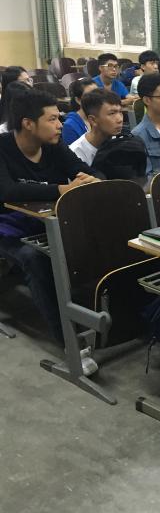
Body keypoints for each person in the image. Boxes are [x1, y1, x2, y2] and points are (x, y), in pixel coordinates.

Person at [0, 89, 100, 346]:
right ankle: (68, 341)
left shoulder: (54, 146)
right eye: (52, 119)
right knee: (35, 258)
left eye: (59, 118)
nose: (60, 125)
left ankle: (102, 316)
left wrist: (90, 179)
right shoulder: (3, 147)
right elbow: (8, 191)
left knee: (95, 240)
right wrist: (60, 189)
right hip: (9, 227)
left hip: (50, 221)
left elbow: (82, 169)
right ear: (28, 123)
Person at [69, 89, 124, 166]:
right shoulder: (76, 154)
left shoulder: (122, 141)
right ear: (93, 120)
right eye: (112, 113)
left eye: (120, 112)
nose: (120, 119)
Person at [61, 78, 98, 145]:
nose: (96, 99)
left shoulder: (103, 117)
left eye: (98, 93)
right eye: (90, 95)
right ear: (78, 100)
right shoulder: (69, 126)